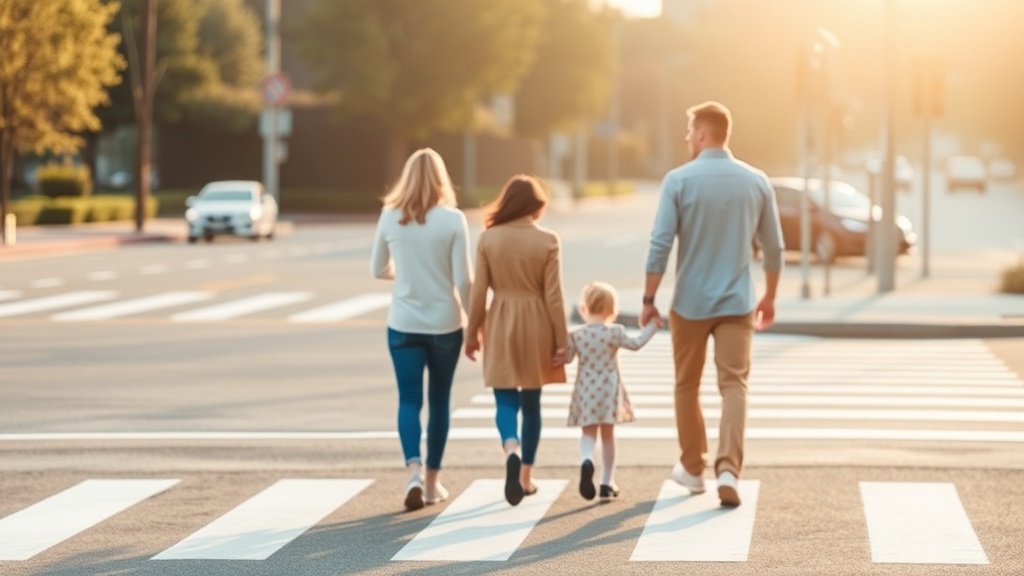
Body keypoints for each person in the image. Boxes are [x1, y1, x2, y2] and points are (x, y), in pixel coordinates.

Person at [640, 101, 784, 507]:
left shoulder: (678, 180)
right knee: (734, 385)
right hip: (737, 302)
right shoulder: (756, 181)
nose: (686, 137)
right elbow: (774, 247)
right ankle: (728, 470)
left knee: (687, 385)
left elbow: (660, 244)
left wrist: (649, 299)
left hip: (689, 303)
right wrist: (770, 296)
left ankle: (692, 468)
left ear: (702, 134)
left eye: (689, 131)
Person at [371, 148, 473, 511]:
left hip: (403, 323)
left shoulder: (389, 215)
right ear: (441, 178)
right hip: (445, 323)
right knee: (440, 401)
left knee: (409, 399)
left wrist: (406, 275)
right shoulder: (453, 220)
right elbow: (463, 280)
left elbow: (377, 269)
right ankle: (431, 485)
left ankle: (412, 471)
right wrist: (476, 324)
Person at [464, 174, 568, 507]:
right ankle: (525, 478)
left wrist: (471, 334)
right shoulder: (548, 240)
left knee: (504, 397)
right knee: (532, 402)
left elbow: (478, 292)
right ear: (535, 206)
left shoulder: (488, 239)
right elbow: (554, 296)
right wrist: (562, 340)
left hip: (500, 319)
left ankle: (511, 446)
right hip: (537, 321)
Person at [565, 281, 657, 501]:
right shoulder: (615, 332)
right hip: (608, 391)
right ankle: (607, 483)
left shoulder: (577, 334)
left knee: (588, 433)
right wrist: (652, 326)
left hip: (586, 390)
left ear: (584, 308)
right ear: (612, 310)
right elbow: (636, 343)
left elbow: (567, 358)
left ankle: (587, 459)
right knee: (608, 436)